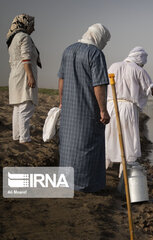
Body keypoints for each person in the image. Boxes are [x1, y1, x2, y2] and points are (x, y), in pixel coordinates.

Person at [105, 46, 153, 177]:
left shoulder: (114, 66)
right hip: (128, 108)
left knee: (109, 137)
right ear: (139, 59)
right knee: (129, 141)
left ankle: (105, 169)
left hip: (110, 106)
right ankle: (123, 174)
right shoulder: (139, 70)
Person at [58, 23, 111, 192]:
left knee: (69, 144)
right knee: (87, 144)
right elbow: (99, 85)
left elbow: (62, 79)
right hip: (87, 108)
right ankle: (85, 184)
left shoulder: (68, 50)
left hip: (69, 107)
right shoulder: (95, 54)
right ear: (99, 37)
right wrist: (103, 110)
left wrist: (61, 101)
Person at [7, 14, 41, 143]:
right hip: (23, 76)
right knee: (26, 107)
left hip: (15, 76)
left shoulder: (13, 39)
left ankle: (16, 136)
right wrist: (30, 76)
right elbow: (26, 59)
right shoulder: (25, 38)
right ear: (25, 24)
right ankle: (24, 137)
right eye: (32, 25)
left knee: (18, 108)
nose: (33, 29)